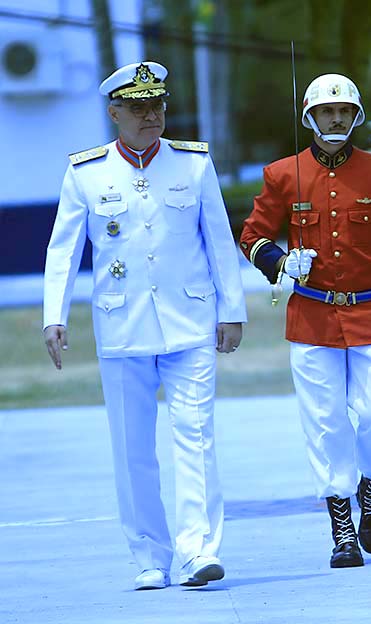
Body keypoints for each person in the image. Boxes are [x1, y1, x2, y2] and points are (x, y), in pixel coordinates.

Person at [42, 61, 246, 590]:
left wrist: (232, 309)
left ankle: (198, 550)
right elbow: (63, 250)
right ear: (114, 113)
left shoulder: (193, 164)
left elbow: (220, 241)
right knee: (132, 447)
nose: (151, 115)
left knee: (196, 436)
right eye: (138, 108)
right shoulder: (86, 172)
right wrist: (53, 317)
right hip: (122, 325)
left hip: (191, 319)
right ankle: (150, 557)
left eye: (157, 105)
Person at [240, 73, 371, 569]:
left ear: (356, 116)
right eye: (326, 111)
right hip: (312, 315)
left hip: (369, 312)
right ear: (310, 117)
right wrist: (279, 262)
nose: (336, 118)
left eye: (344, 111)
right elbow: (252, 234)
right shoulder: (283, 174)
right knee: (325, 425)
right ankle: (342, 528)